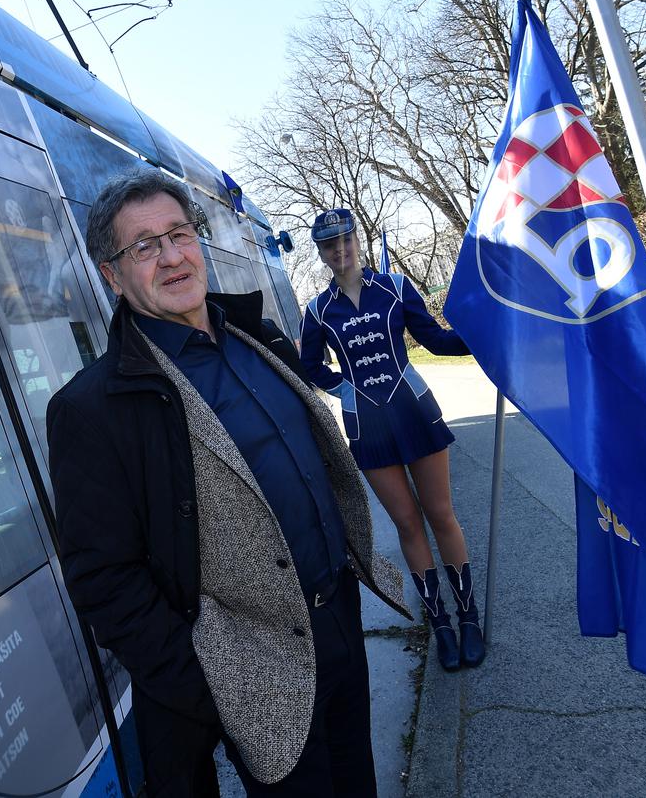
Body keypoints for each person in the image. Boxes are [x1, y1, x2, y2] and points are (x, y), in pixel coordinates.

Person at [46, 169, 415, 797]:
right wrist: (213, 685)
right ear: (112, 275)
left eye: (178, 234)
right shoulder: (92, 409)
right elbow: (104, 583)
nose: (170, 257)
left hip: (341, 622)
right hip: (255, 670)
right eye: (143, 247)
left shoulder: (257, 337)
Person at [299, 208, 486, 673]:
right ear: (321, 253)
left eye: (345, 240)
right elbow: (308, 365)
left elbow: (436, 340)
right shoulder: (318, 310)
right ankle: (439, 623)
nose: (339, 250)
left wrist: (484, 339)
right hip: (366, 425)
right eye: (328, 245)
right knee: (407, 525)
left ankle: (468, 618)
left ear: (356, 241)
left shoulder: (396, 287)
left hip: (414, 411)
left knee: (441, 514)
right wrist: (343, 387)